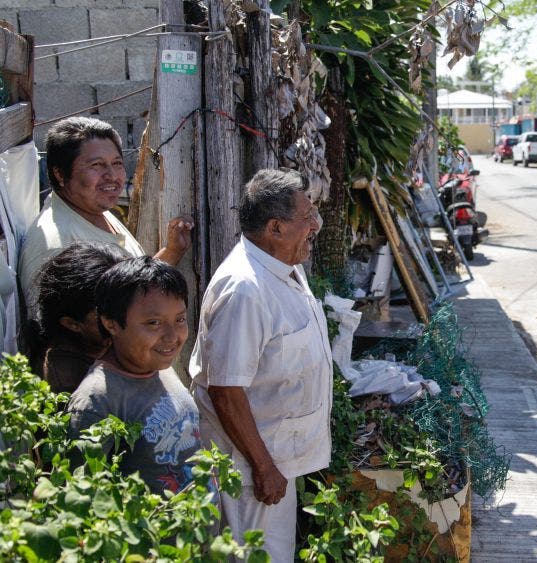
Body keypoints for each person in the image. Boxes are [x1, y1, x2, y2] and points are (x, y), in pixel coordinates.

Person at [189, 168, 331, 560]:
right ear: (275, 227)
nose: (315, 225)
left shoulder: (284, 268)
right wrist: (264, 467)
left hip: (275, 460)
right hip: (250, 467)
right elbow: (225, 389)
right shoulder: (245, 290)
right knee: (256, 557)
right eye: (306, 218)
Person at [18, 116, 193, 313]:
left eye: (117, 163)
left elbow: (131, 292)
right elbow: (65, 331)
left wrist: (172, 252)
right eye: (96, 165)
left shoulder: (96, 212)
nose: (112, 175)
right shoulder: (57, 245)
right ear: (60, 174)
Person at [66, 256, 202, 495]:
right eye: (153, 323)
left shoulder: (159, 367)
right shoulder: (98, 401)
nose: (172, 337)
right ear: (111, 324)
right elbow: (85, 501)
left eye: (179, 319)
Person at [34, 241, 129, 393]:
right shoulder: (72, 385)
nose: (126, 316)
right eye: (110, 311)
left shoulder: (103, 346)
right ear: (72, 324)